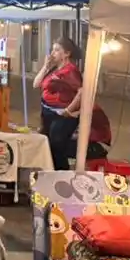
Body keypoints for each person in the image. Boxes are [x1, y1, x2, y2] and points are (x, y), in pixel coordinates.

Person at [34, 37, 84, 169]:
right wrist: (45, 66)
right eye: (52, 50)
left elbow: (81, 92)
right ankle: (52, 172)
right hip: (48, 113)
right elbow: (36, 84)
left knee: (57, 147)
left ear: (66, 53)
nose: (52, 53)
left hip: (61, 115)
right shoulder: (54, 69)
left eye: (56, 50)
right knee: (48, 146)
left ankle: (62, 173)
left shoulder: (70, 71)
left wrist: (69, 109)